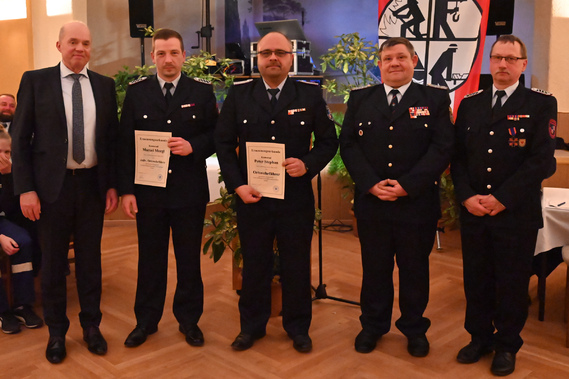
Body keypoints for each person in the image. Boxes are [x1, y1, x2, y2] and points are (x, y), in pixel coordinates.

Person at [215, 31, 338, 353]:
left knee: (296, 265)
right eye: (266, 52)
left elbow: (328, 142)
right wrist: (237, 185)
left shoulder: (309, 95)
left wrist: (308, 164)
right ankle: (251, 328)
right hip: (251, 197)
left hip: (294, 198)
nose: (273, 58)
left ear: (290, 57)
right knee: (255, 264)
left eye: (280, 53)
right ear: (258, 58)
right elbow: (224, 144)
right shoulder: (240, 95)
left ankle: (298, 328)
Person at [10, 21, 119, 364]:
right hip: (50, 189)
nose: (80, 48)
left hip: (91, 187)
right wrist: (25, 189)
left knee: (90, 263)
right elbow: (19, 140)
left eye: (86, 43)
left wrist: (113, 184)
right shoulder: (35, 81)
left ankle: (91, 327)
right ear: (59, 46)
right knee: (54, 264)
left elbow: (111, 142)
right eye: (73, 42)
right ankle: (57, 333)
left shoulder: (104, 85)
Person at [340, 37, 454, 357]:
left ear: (414, 61)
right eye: (388, 58)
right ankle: (373, 326)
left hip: (416, 204)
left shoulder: (433, 98)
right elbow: (348, 144)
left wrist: (408, 185)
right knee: (374, 270)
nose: (394, 63)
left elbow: (442, 147)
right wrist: (370, 183)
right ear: (380, 64)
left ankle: (414, 328)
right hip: (372, 202)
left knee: (414, 270)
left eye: (401, 57)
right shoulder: (361, 98)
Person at [451, 35, 557, 376]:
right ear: (489, 62)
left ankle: (507, 345)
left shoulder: (541, 105)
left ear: (523, 65)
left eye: (511, 59)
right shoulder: (471, 104)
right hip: (475, 212)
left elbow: (541, 161)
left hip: (515, 213)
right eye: (497, 58)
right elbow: (459, 159)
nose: (502, 65)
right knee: (476, 279)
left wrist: (501, 198)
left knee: (511, 282)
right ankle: (479, 337)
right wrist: (467, 196)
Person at [118, 28, 217, 348]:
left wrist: (194, 146)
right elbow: (125, 144)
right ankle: (145, 321)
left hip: (188, 192)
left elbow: (218, 135)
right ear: (153, 57)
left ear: (183, 56)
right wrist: (127, 190)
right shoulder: (137, 92)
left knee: (189, 260)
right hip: (149, 194)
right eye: (161, 53)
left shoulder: (201, 92)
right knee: (150, 259)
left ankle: (189, 321)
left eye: (174, 52)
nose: (168, 59)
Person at [0, 131, 43, 334]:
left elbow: (10, 210)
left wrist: (8, 176)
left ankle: (22, 305)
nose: (4, 156)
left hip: (3, 221)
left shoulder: (12, 171)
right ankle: (2, 310)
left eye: (7, 151)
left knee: (23, 242)